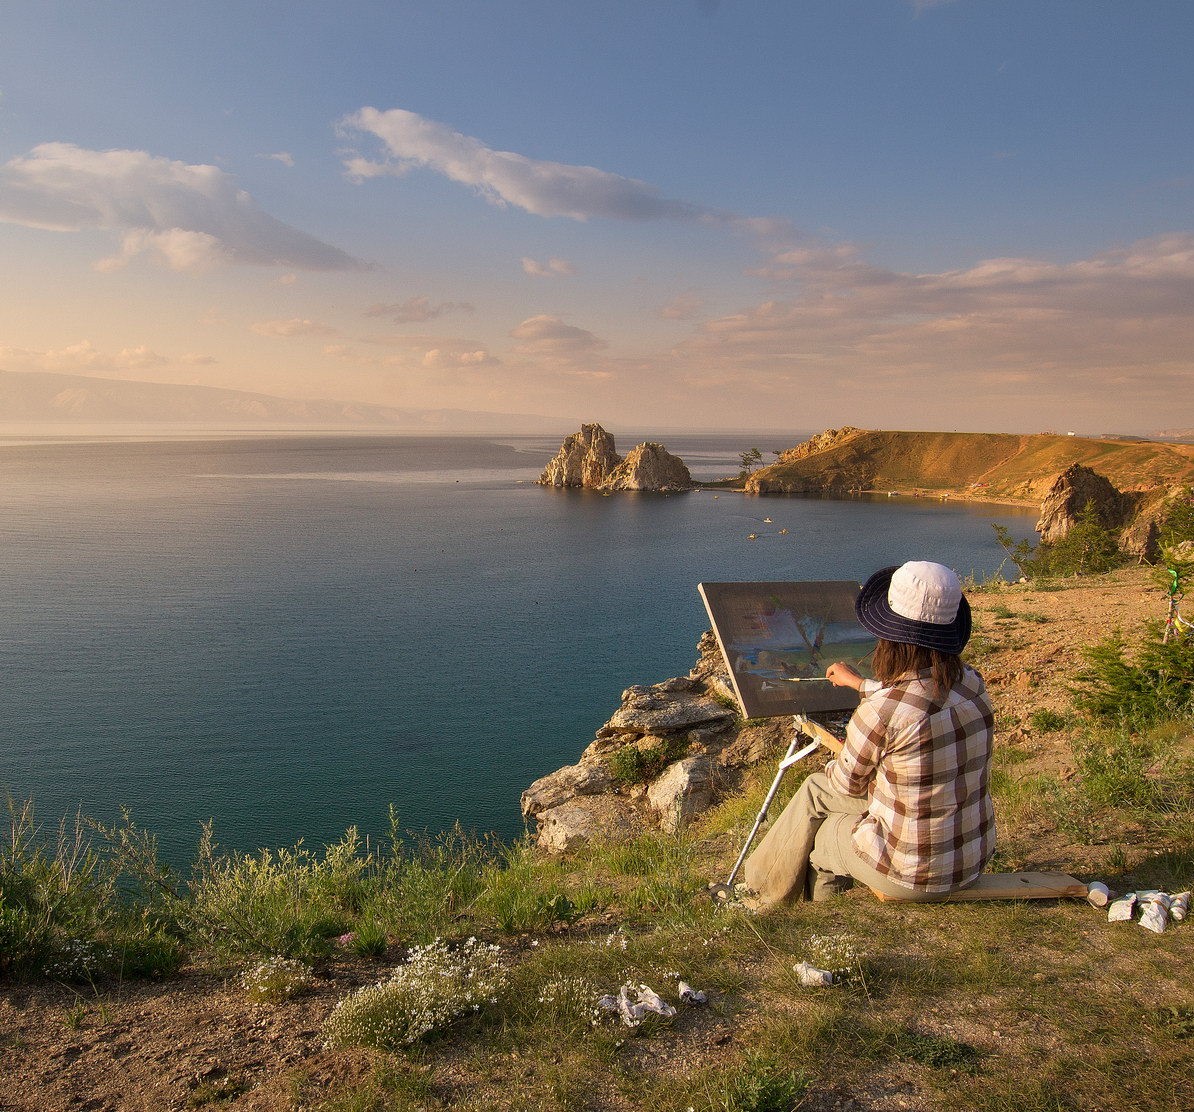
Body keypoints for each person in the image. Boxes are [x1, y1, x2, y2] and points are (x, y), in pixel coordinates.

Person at [743, 561, 996, 905]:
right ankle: (762, 884)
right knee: (815, 790)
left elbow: (846, 784)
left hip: (911, 874)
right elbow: (916, 696)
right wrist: (861, 684)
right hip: (971, 859)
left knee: (820, 834)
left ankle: (765, 899)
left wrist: (848, 750)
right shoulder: (972, 683)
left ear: (890, 638)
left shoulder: (880, 714)